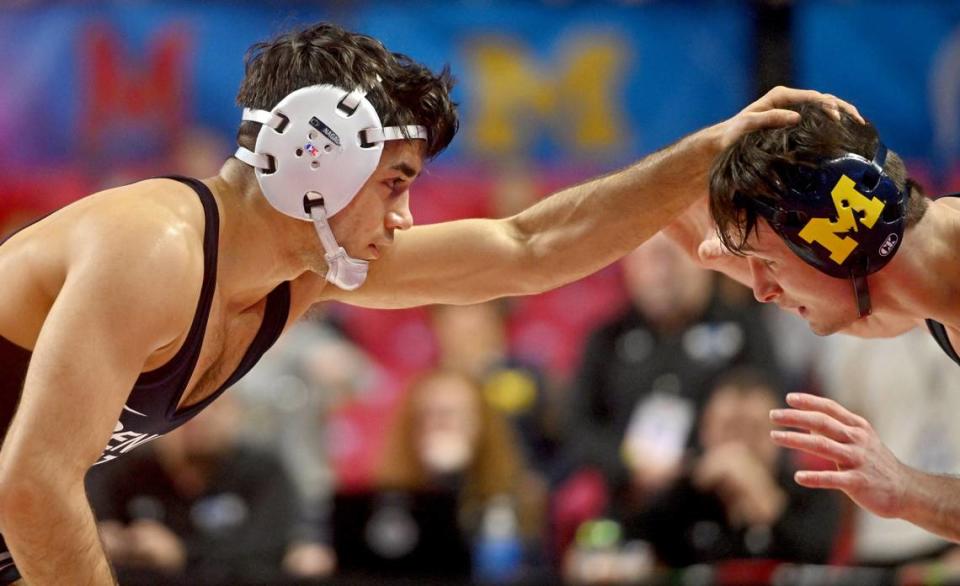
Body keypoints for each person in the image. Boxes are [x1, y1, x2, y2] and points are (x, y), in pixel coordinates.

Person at [0, 17, 851, 582]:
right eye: (396, 182)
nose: (406, 216)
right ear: (313, 159)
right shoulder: (154, 250)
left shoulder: (300, 271)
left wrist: (696, 159)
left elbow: (526, 250)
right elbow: (35, 486)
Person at [665, 100, 960, 543]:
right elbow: (681, 227)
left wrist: (907, 489)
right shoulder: (918, 290)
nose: (761, 291)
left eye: (768, 263)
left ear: (844, 238)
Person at [624, 368, 840, 567]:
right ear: (705, 430)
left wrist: (763, 499)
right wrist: (687, 484)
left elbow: (816, 556)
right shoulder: (683, 492)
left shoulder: (810, 489)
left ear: (781, 434)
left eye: (754, 430)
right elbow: (638, 543)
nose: (741, 445)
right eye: (730, 428)